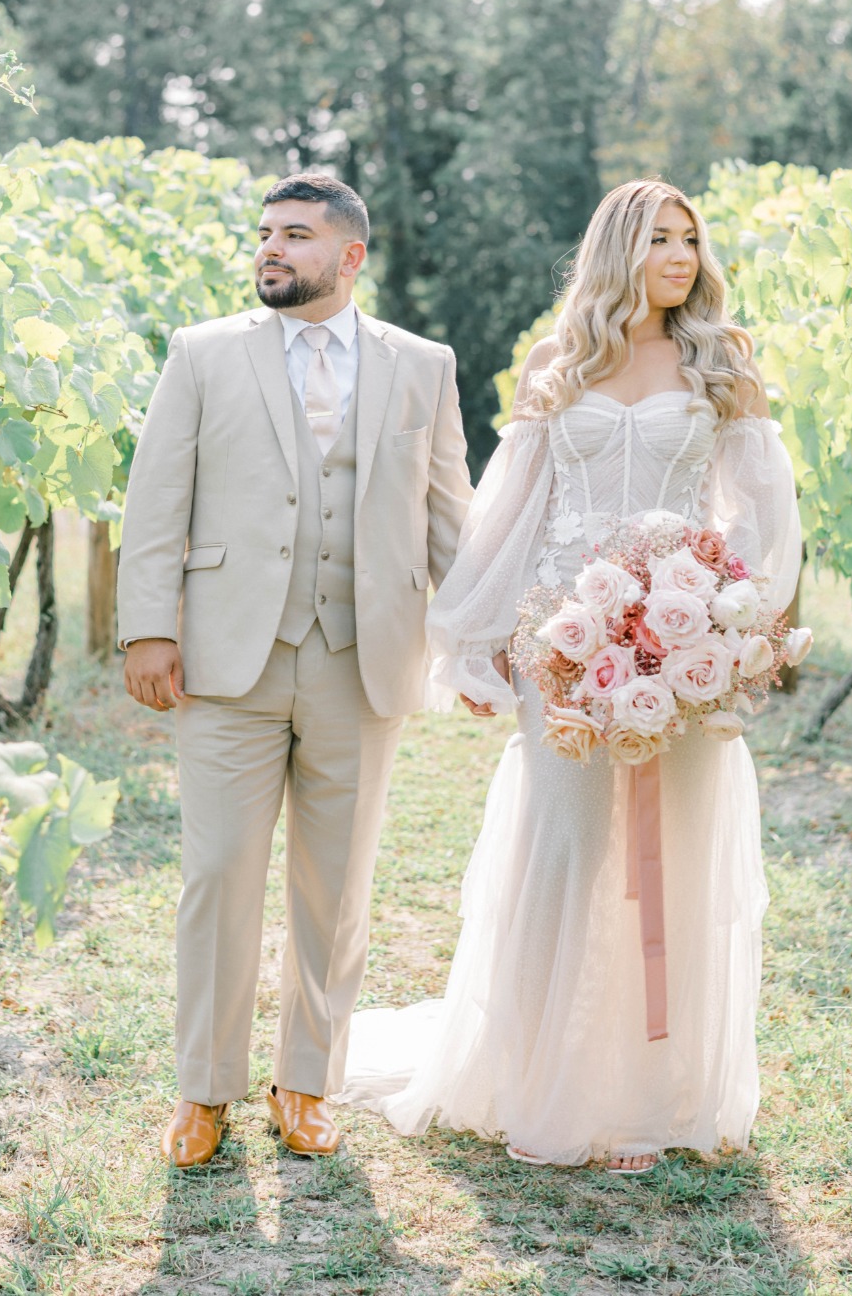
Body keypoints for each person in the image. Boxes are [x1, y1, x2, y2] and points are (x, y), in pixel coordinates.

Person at [339, 179, 801, 1172]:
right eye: (659, 240)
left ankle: (653, 1092)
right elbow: (515, 505)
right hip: (566, 636)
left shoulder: (722, 359)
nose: (680, 257)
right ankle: (537, 1076)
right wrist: (472, 631)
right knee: (567, 844)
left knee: (674, 853)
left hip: (685, 644)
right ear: (617, 249)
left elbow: (762, 507)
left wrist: (734, 616)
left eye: (690, 240)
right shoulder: (563, 359)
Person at [118, 174, 472, 1168]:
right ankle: (204, 1091)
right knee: (219, 875)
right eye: (266, 234)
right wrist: (149, 628)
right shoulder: (203, 354)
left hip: (364, 658)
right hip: (228, 656)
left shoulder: (423, 364)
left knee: (336, 889)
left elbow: (451, 510)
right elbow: (157, 499)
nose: (272, 249)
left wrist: (494, 634)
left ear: (350, 257)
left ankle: (307, 1081)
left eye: (297, 236)